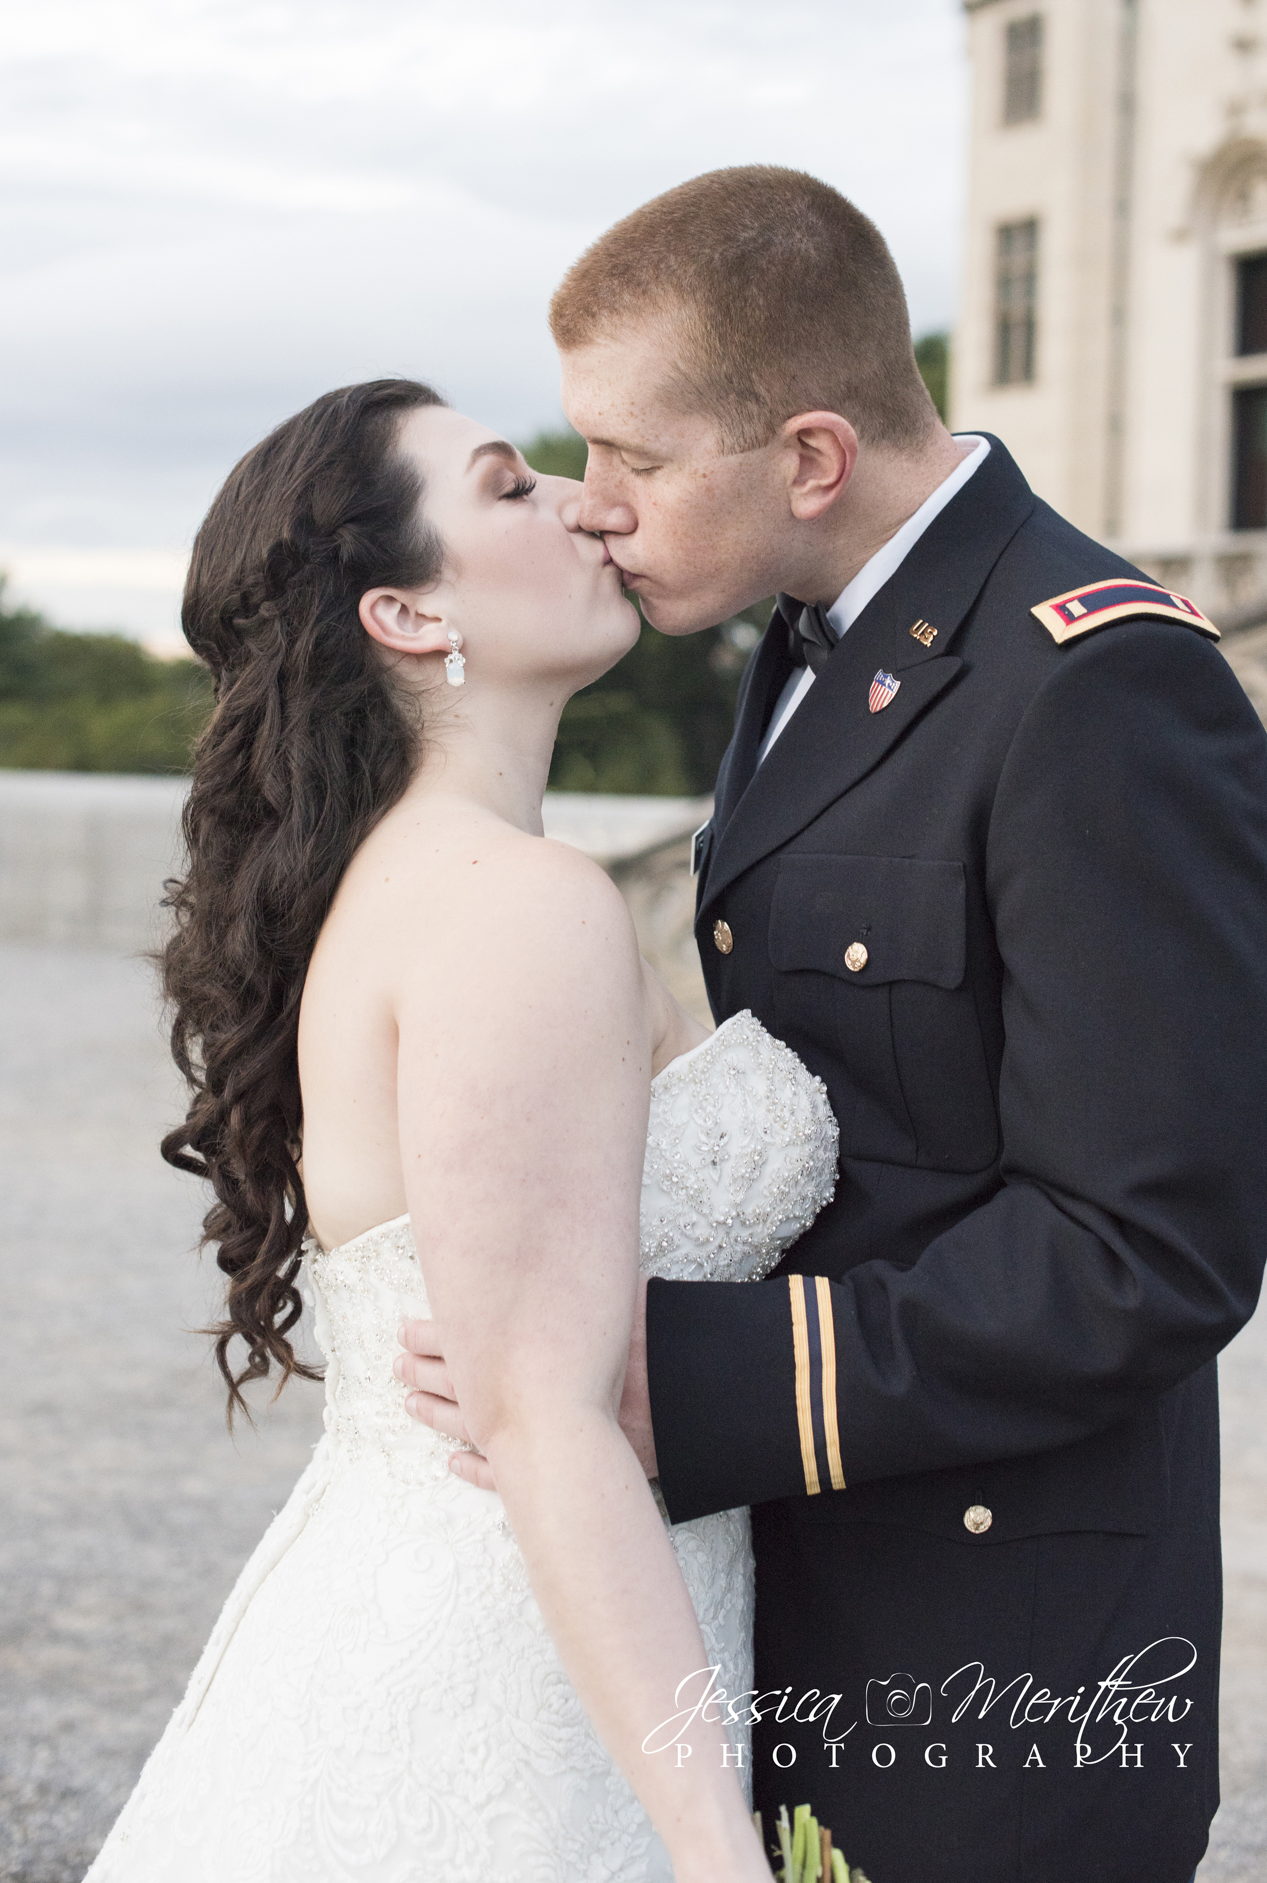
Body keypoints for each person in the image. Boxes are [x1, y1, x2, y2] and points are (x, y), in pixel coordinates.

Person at [397, 168, 1267, 1883]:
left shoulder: (1096, 682)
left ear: (808, 456)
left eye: (637, 462)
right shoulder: (810, 632)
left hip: (1003, 1630)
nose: (596, 508)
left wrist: (680, 1374)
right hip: (804, 1577)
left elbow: (1151, 1249)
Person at [83, 376, 841, 1881]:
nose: (581, 499)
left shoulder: (418, 881)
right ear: (410, 617)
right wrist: (716, 1851)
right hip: (514, 1675)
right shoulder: (514, 904)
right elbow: (544, 1419)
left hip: (482, 1624)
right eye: (508, 487)